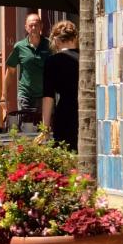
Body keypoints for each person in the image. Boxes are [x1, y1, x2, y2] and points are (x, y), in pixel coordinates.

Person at [40, 20, 81, 151]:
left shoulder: (52, 61)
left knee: (66, 156)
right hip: (88, 111)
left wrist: (45, 129)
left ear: (56, 41)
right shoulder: (87, 58)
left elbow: (48, 97)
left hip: (65, 113)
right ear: (75, 38)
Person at [5, 13, 51, 126]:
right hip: (25, 95)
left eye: (36, 25)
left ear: (41, 26)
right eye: (31, 25)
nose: (34, 28)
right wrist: (4, 94)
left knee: (43, 128)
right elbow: (11, 70)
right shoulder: (19, 47)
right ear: (26, 27)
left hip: (44, 95)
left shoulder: (49, 45)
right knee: (27, 126)